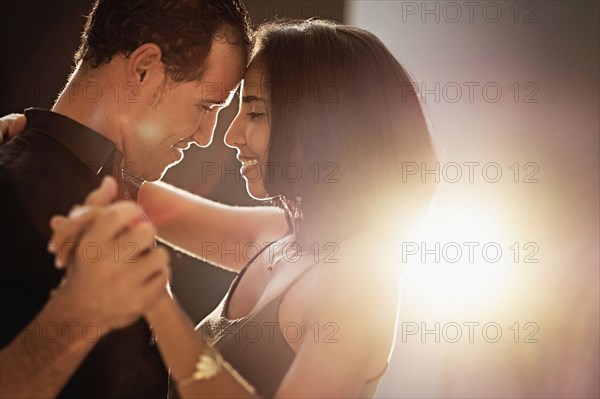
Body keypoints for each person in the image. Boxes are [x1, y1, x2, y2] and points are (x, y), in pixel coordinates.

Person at [47, 20, 438, 398]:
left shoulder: (362, 279)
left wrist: (156, 302)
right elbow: (131, 195)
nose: (231, 136)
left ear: (321, 124)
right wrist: (40, 136)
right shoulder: (279, 236)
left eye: (255, 113)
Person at [0, 0, 251, 397]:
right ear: (143, 68)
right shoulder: (12, 187)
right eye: (206, 106)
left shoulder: (123, 191)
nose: (207, 136)